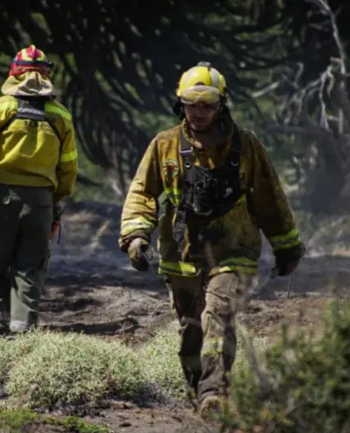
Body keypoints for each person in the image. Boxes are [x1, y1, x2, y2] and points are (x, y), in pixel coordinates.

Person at [118, 62, 305, 418]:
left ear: (222, 104)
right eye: (192, 103)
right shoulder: (164, 145)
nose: (199, 111)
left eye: (207, 104)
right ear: (180, 104)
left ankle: (214, 393)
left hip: (234, 249)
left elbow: (270, 198)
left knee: (218, 316)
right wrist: (136, 235)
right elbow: (142, 193)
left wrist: (287, 246)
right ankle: (197, 391)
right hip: (181, 253)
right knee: (190, 329)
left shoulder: (246, 145)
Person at [0, 45, 78, 346]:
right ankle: (23, 334)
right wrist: (56, 205)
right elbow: (69, 168)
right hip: (41, 202)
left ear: (14, 73)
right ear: (47, 75)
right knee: (29, 266)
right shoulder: (61, 116)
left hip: (0, 197)